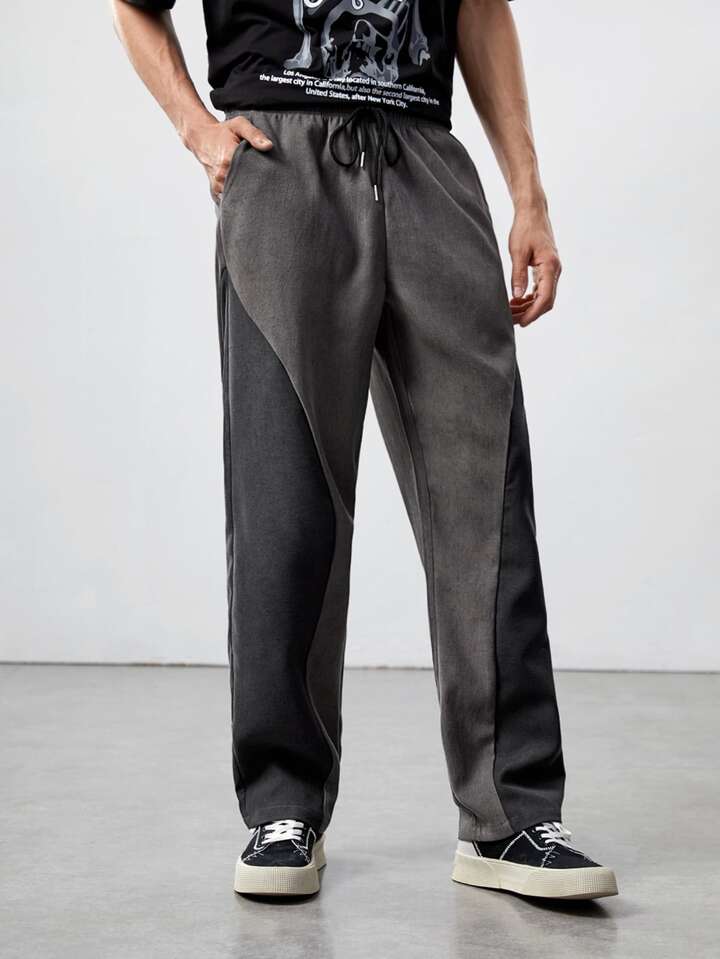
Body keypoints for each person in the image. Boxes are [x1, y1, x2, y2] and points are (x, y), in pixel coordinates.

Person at [112, 0, 618, 900]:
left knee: (485, 490)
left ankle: (510, 815)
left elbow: (480, 10)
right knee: (284, 499)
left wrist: (529, 193)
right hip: (282, 162)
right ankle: (284, 804)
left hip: (426, 158)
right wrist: (198, 129)